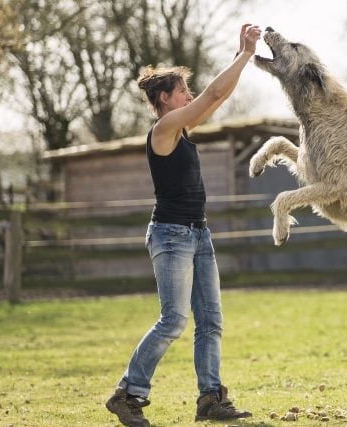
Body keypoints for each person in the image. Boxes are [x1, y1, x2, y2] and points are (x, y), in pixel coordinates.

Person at [105, 23, 262, 427]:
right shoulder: (164, 130)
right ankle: (128, 394)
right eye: (182, 93)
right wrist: (244, 54)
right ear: (164, 99)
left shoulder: (181, 127)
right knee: (173, 319)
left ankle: (210, 400)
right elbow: (211, 94)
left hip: (198, 233)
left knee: (210, 320)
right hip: (171, 235)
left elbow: (218, 95)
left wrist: (240, 56)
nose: (189, 97)